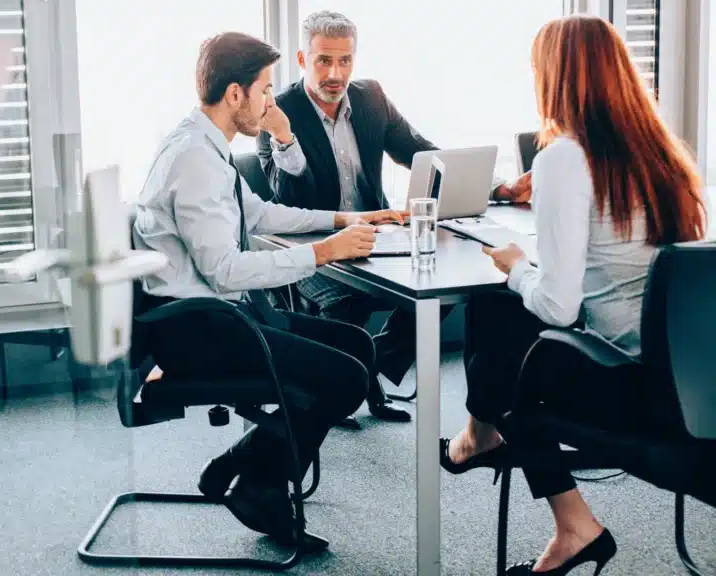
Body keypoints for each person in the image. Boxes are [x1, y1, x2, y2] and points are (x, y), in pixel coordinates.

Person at [440, 15, 707, 575]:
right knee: (505, 316)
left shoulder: (565, 156)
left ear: (556, 77)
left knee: (500, 324)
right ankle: (481, 437)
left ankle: (557, 510)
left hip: (634, 389)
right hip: (692, 382)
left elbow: (560, 308)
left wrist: (516, 267)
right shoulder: (663, 155)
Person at [132, 31, 405, 548]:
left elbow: (257, 214)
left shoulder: (205, 145)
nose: (270, 101)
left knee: (357, 347)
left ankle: (246, 462)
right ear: (235, 94)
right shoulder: (195, 159)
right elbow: (227, 271)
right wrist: (324, 252)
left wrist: (349, 217)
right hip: (200, 329)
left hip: (219, 315)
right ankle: (259, 482)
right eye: (264, 89)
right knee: (346, 378)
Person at [256, 10, 532, 421]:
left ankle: (365, 370)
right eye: (323, 61)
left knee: (442, 292)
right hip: (314, 240)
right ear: (302, 60)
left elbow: (421, 151)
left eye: (345, 61)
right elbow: (290, 199)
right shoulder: (276, 112)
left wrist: (500, 188)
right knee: (347, 308)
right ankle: (346, 381)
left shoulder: (371, 98)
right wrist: (285, 138)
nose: (335, 73)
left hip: (376, 233)